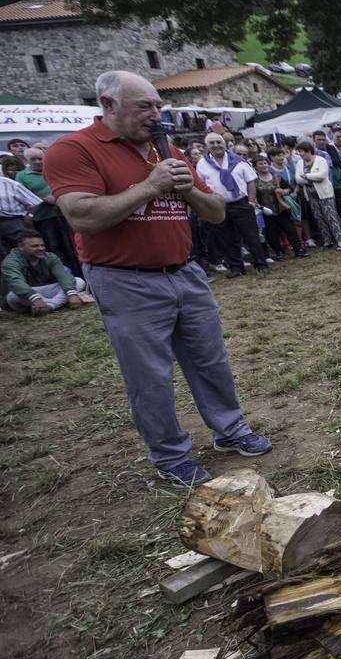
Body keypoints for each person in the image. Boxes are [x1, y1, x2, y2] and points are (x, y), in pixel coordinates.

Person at [45, 70, 270, 487]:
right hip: (125, 279)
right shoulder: (74, 150)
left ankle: (230, 431)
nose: (156, 115)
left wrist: (188, 190)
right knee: (149, 374)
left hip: (184, 272)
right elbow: (82, 216)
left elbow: (216, 212)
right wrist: (150, 187)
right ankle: (170, 455)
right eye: (144, 106)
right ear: (108, 105)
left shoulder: (164, 150)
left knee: (210, 360)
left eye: (158, 106)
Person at [196, 132, 271, 278]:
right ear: (207, 146)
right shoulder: (202, 164)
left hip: (242, 203)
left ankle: (260, 264)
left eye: (219, 142)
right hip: (219, 206)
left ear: (224, 143)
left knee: (252, 236)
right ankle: (236, 267)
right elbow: (201, 185)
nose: (216, 145)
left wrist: (251, 200)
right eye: (212, 143)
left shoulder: (238, 160)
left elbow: (250, 181)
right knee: (227, 239)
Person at [15, 146, 80, 275]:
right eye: (33, 159)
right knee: (54, 246)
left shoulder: (54, 169)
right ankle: (64, 274)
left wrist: (58, 197)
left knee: (72, 245)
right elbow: (21, 196)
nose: (38, 162)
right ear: (27, 160)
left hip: (64, 214)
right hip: (44, 218)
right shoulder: (22, 176)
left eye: (40, 158)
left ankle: (80, 273)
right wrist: (42, 199)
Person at [1, 229, 91, 314]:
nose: (40, 248)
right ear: (21, 247)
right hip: (27, 295)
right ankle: (52, 304)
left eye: (42, 245)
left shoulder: (50, 257)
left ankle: (50, 306)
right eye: (34, 246)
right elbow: (16, 283)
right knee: (12, 296)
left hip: (47, 291)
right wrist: (35, 298)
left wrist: (71, 293)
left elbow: (64, 277)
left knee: (79, 281)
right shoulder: (10, 262)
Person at [254, 154, 305, 259]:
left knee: (289, 229)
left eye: (265, 163)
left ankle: (298, 249)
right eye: (261, 164)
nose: (264, 165)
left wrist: (283, 191)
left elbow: (289, 189)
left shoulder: (276, 177)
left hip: (280, 208)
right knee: (271, 232)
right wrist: (260, 208)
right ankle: (278, 252)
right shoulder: (254, 181)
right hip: (266, 211)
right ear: (256, 167)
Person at [296, 140, 341, 250]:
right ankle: (327, 240)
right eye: (299, 152)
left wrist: (306, 176)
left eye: (302, 151)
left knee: (331, 217)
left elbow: (322, 175)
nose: (300, 154)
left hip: (325, 194)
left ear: (308, 151)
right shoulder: (299, 163)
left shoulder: (321, 160)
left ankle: (340, 241)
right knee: (319, 217)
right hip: (310, 194)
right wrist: (310, 177)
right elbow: (298, 179)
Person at [0, 165, 42, 257]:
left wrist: (29, 216)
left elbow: (34, 201)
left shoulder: (9, 183)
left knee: (26, 251)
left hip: (14, 221)